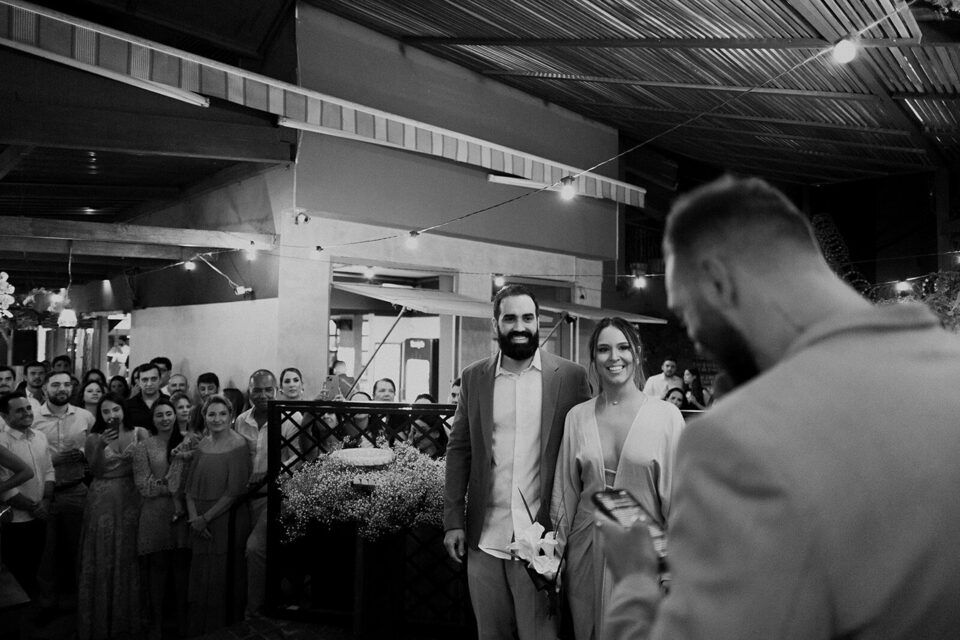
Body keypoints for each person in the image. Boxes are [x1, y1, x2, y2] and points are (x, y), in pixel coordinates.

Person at [599, 175, 960, 639]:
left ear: (719, 281)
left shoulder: (739, 440)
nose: (698, 341)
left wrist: (634, 581)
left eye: (688, 314)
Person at [444, 284, 591, 640]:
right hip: (484, 537)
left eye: (527, 317)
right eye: (510, 318)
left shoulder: (570, 377)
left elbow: (586, 453)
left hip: (543, 540)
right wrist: (453, 520)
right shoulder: (474, 377)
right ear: (495, 324)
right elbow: (459, 449)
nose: (520, 326)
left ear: (538, 321)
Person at [551, 318, 684, 640]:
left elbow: (681, 501)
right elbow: (564, 494)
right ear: (593, 358)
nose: (614, 357)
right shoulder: (577, 417)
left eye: (623, 347)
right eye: (604, 349)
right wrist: (554, 555)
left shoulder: (666, 416)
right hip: (585, 552)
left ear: (636, 353)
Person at [77, 393, 147, 640]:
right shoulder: (93, 437)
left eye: (115, 409)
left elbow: (146, 465)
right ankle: (100, 618)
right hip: (102, 498)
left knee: (129, 550)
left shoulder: (140, 433)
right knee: (104, 549)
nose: (111, 415)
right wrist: (100, 446)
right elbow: (94, 470)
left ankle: (128, 617)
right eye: (105, 411)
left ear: (123, 409)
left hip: (132, 496)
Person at [184, 394, 251, 634]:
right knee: (202, 574)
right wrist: (195, 518)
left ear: (231, 416)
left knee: (223, 575)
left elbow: (234, 492)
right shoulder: (202, 444)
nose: (217, 418)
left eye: (223, 414)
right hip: (199, 522)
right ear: (204, 417)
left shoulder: (239, 445)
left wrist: (206, 519)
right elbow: (189, 488)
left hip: (225, 519)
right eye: (211, 414)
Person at [31, 371, 95, 609]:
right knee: (46, 552)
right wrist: (51, 460)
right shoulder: (33, 417)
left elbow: (95, 446)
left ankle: (83, 603)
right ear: (45, 388)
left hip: (75, 490)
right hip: (43, 493)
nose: (62, 389)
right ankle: (47, 603)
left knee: (80, 547)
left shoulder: (85, 416)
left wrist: (82, 453)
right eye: (56, 384)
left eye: (67, 384)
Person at [133, 398, 189, 640]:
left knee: (182, 568)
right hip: (154, 512)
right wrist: (173, 487)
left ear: (175, 415)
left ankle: (182, 621)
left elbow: (192, 480)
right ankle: (156, 622)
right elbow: (143, 485)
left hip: (184, 511)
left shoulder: (188, 441)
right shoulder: (143, 446)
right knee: (157, 569)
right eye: (159, 415)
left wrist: (167, 485)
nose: (165, 418)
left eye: (168, 413)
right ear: (152, 419)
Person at [0, 392, 54, 597]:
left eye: (29, 408)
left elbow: (48, 470)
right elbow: (6, 486)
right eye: (19, 410)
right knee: (16, 572)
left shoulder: (40, 436)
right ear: (5, 416)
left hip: (40, 514)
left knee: (36, 565)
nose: (27, 413)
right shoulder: (2, 442)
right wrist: (33, 507)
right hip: (15, 519)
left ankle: (36, 606)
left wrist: (46, 501)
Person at [125, 362, 166, 432]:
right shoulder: (127, 405)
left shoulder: (170, 401)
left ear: (160, 380)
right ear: (138, 382)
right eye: (145, 380)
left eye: (153, 379)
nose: (149, 384)